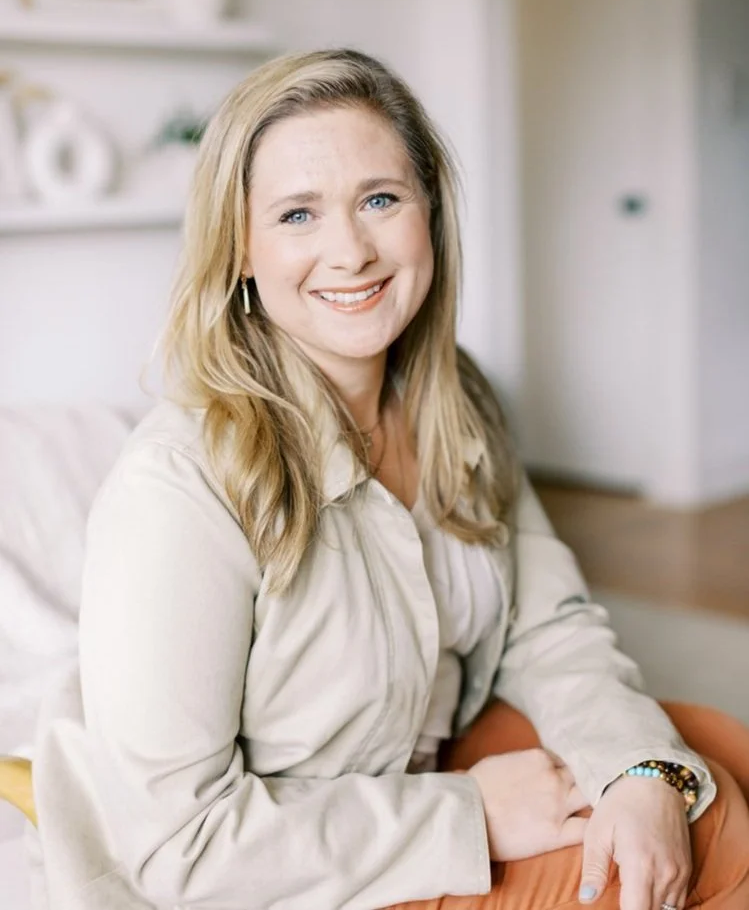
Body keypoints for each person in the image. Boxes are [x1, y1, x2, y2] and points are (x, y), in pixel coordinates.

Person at [27, 48, 749, 910]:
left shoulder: (457, 398)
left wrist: (637, 767)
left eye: (379, 199)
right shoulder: (178, 485)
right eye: (298, 214)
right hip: (271, 861)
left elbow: (544, 625)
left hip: (413, 750)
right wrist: (469, 815)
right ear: (241, 250)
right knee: (711, 835)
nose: (351, 250)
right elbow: (182, 845)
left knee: (703, 755)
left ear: (428, 215)